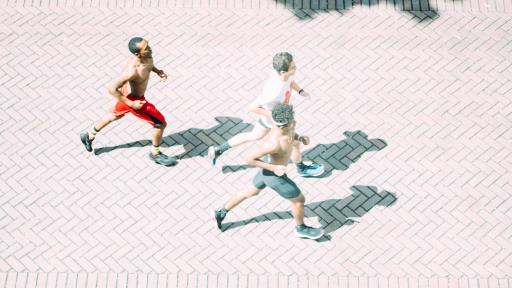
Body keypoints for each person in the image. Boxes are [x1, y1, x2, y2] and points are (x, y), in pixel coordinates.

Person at [215, 103, 324, 240]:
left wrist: (299, 138)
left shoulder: (288, 127)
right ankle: (301, 228)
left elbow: (291, 135)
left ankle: (221, 211)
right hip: (273, 176)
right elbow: (249, 159)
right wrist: (274, 168)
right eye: (292, 120)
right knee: (299, 201)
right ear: (284, 125)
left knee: (251, 192)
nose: (294, 121)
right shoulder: (273, 143)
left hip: (265, 172)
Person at [208, 52, 323, 177]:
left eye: (294, 65)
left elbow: (291, 81)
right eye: (293, 67)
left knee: (255, 136)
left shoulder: (283, 74)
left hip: (275, 120)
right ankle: (301, 169)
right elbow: (252, 107)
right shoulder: (273, 90)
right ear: (283, 72)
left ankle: (218, 150)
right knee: (293, 142)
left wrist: (300, 91)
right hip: (274, 122)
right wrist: (275, 116)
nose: (295, 68)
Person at [80, 37, 177, 166]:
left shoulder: (147, 56)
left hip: (127, 93)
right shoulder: (132, 71)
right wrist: (131, 104)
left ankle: (89, 135)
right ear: (138, 54)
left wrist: (158, 71)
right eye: (146, 48)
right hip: (134, 100)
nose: (150, 49)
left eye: (148, 45)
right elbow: (111, 89)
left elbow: (149, 65)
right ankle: (155, 154)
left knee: (114, 115)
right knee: (160, 124)